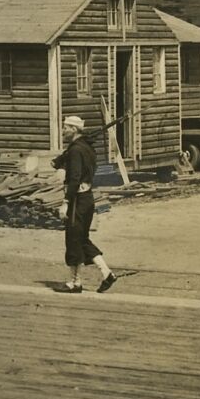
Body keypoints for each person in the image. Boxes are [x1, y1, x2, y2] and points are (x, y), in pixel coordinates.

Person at [53, 115, 118, 293]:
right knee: (81, 239)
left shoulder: (75, 150)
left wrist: (66, 202)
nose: (64, 130)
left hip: (77, 199)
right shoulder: (86, 148)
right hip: (87, 197)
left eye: (66, 127)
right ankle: (106, 274)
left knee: (73, 239)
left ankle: (74, 283)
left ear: (74, 130)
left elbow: (74, 178)